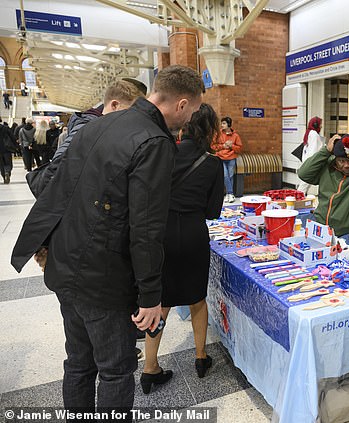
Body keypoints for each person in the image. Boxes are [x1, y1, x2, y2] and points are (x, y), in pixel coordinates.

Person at [11, 65, 204, 417]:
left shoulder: (96, 124)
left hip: (65, 264)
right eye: (190, 112)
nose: (189, 119)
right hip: (103, 280)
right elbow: (146, 228)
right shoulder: (154, 141)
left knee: (79, 363)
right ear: (181, 103)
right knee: (115, 371)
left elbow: (58, 189)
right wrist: (150, 295)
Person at [141, 103, 224, 393]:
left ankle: (150, 367)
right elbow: (214, 211)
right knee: (197, 299)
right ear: (210, 130)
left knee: (160, 303)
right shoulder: (212, 163)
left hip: (160, 235)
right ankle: (201, 358)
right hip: (192, 235)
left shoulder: (164, 153)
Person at [26, 80, 146, 198]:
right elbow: (55, 172)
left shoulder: (101, 127)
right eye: (129, 112)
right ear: (114, 105)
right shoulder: (87, 128)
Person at [212, 116, 242, 203]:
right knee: (225, 175)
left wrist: (231, 145)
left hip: (232, 158)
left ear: (229, 124)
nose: (222, 125)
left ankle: (228, 195)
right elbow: (213, 146)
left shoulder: (235, 136)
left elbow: (239, 148)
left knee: (230, 176)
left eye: (224, 123)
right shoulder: (218, 134)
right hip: (221, 157)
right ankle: (230, 193)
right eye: (222, 123)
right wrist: (223, 146)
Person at [297, 116, 323, 194]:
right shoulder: (314, 134)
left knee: (305, 183)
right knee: (305, 183)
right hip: (312, 161)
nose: (321, 126)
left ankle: (298, 197)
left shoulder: (309, 133)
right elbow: (314, 149)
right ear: (316, 124)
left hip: (308, 161)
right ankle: (297, 198)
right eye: (320, 124)